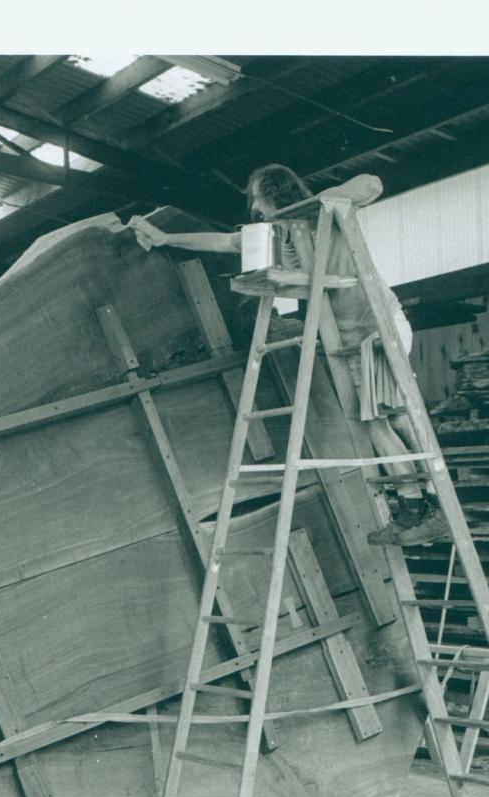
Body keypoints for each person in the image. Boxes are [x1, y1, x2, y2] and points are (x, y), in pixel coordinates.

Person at [129, 164, 448, 546]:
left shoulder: (324, 214)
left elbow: (371, 184)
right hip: (348, 338)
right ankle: (415, 510)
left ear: (273, 192)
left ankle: (429, 506)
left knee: (392, 421)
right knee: (380, 423)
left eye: (257, 197)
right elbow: (225, 243)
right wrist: (164, 238)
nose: (254, 206)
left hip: (379, 327)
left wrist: (321, 201)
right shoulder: (282, 236)